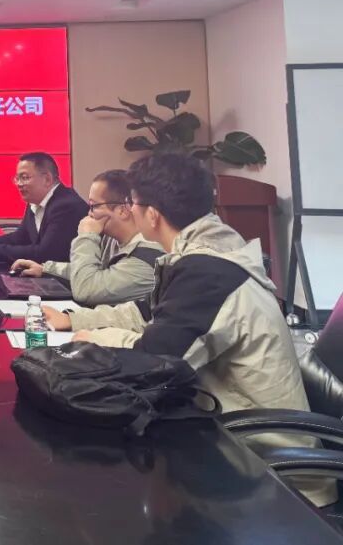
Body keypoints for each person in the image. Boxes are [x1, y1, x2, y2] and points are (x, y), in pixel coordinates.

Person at [41, 153, 332, 504]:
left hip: (273, 473)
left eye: (134, 203)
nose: (131, 211)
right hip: (228, 437)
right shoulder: (200, 253)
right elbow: (146, 313)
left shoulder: (209, 272)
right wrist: (75, 321)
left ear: (152, 215)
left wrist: (94, 339)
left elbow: (153, 362)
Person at [12, 169, 162, 306]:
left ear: (122, 210)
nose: (89, 214)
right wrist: (45, 269)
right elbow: (92, 271)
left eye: (94, 206)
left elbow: (86, 290)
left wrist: (86, 236)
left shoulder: (145, 259)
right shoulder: (112, 239)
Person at [0, 152, 88, 268]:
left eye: (25, 178)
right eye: (17, 178)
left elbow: (45, 254)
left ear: (47, 179)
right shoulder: (35, 202)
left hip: (65, 277)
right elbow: (20, 238)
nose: (19, 184)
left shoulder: (66, 206)